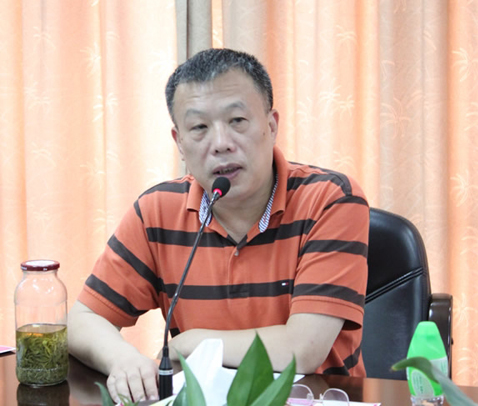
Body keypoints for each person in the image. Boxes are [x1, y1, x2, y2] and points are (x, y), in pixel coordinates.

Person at [68, 48, 369, 403]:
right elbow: (82, 319)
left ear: (271, 126)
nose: (221, 144)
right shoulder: (157, 211)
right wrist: (124, 360)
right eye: (199, 128)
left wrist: (192, 343)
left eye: (237, 121)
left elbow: (304, 348)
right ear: (180, 143)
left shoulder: (330, 200)